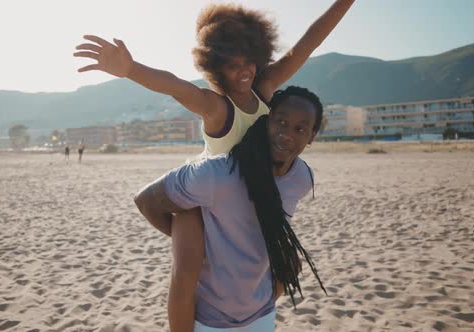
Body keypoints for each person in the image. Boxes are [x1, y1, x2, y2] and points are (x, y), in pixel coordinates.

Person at [74, 2, 353, 330]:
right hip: (207, 199)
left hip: (252, 198)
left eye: (248, 60)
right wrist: (130, 69)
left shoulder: (264, 91)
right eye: (232, 65)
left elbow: (305, 45)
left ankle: (258, 311)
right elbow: (177, 86)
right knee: (188, 275)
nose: (244, 70)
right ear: (215, 66)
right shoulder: (217, 107)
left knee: (288, 262)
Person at [135, 86, 326, 331]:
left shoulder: (302, 178)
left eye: (300, 129)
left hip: (262, 314)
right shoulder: (217, 174)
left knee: (293, 260)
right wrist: (192, 242)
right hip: (209, 320)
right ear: (267, 120)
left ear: (312, 136)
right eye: (281, 122)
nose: (287, 134)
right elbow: (145, 200)